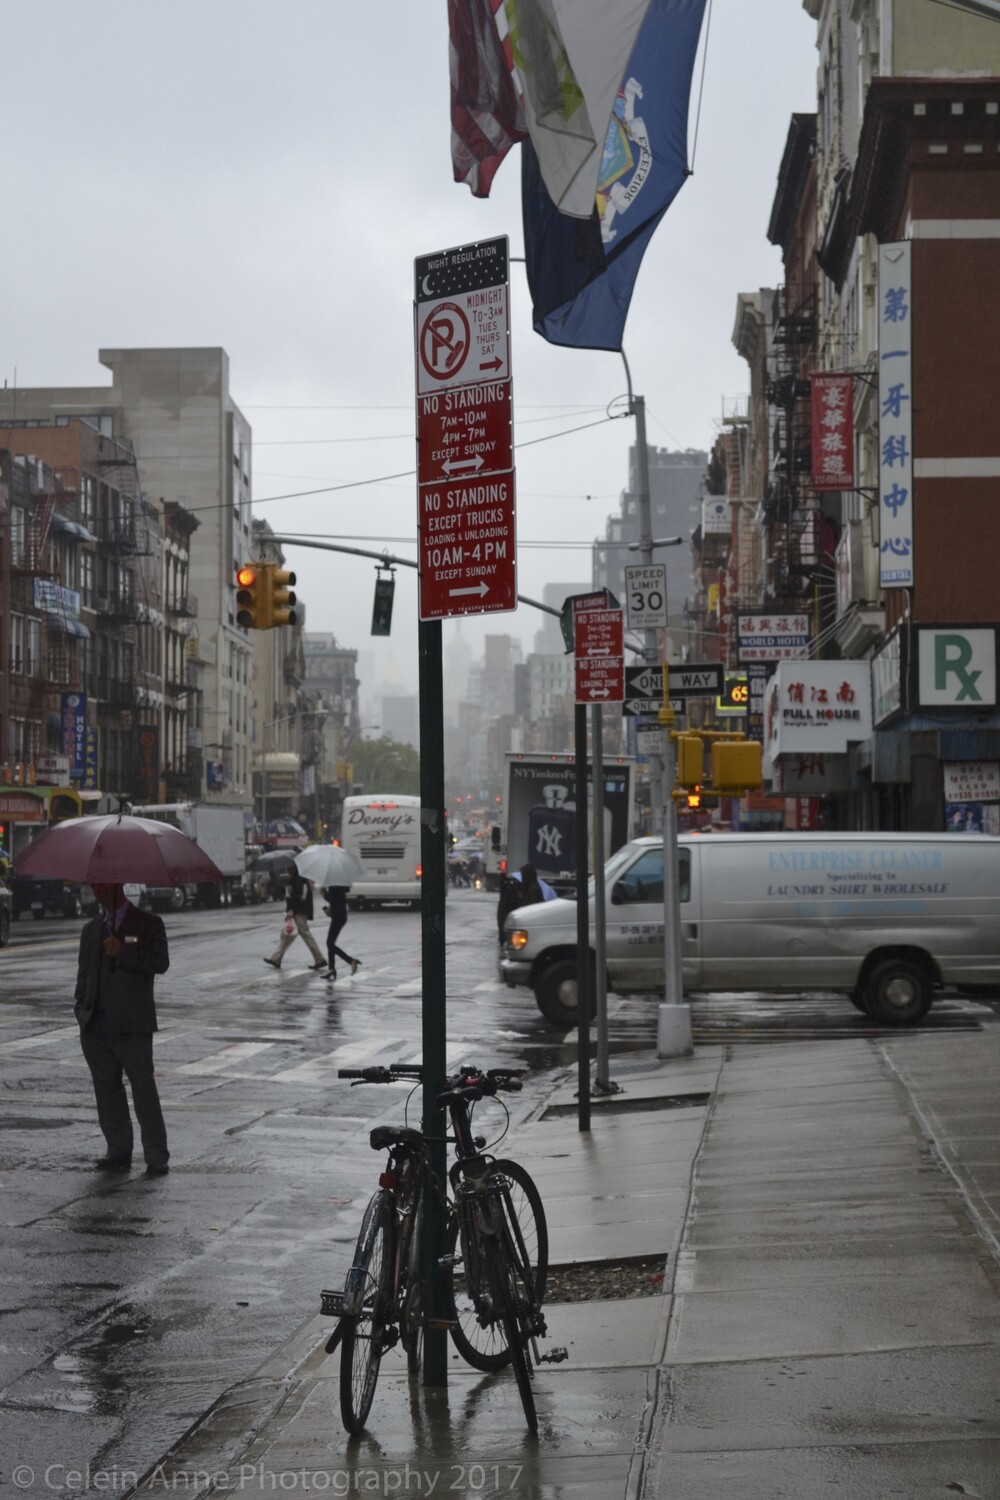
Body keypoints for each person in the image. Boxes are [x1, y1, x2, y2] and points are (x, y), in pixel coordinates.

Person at [74, 881, 171, 1177]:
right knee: (107, 1092)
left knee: (143, 1088)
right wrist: (82, 1010)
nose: (97, 890)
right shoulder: (91, 929)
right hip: (96, 1024)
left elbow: (160, 963)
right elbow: (83, 974)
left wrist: (123, 953)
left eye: (102, 884)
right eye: (94, 885)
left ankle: (156, 1155)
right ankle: (118, 1148)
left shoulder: (148, 923)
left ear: (116, 886)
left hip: (132, 1024)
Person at [263, 868, 326, 970]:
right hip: (296, 911)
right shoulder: (294, 879)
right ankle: (276, 958)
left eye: (288, 867)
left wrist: (292, 909)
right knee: (287, 935)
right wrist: (281, 887)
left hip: (299, 912)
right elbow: (289, 894)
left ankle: (320, 959)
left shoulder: (299, 879)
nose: (286, 869)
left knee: (304, 935)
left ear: (293, 867)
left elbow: (299, 896)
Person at [321, 885, 361, 982]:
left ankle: (350, 961)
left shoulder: (335, 885)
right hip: (340, 915)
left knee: (330, 943)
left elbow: (333, 899)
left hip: (338, 916)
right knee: (330, 943)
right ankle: (331, 968)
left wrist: (324, 894)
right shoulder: (340, 884)